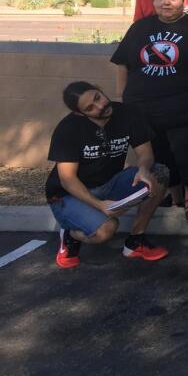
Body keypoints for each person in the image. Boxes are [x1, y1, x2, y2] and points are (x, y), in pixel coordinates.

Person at [111, 0, 188, 222]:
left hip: (186, 108)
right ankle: (174, 196)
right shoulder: (140, 28)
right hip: (144, 108)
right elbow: (122, 63)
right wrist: (122, 97)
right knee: (161, 154)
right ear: (153, 0)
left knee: (186, 151)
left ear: (182, 0)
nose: (166, 2)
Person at [48, 82, 168, 269]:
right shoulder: (68, 129)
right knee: (107, 230)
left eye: (98, 97)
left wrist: (144, 169)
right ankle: (71, 235)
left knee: (159, 173)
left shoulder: (128, 113)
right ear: (80, 113)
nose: (100, 106)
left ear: (100, 89)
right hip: (68, 195)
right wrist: (100, 206)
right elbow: (67, 179)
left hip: (109, 183)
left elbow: (145, 153)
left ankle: (135, 242)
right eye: (90, 108)